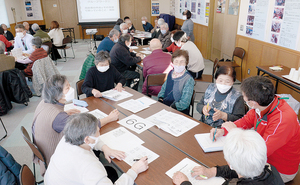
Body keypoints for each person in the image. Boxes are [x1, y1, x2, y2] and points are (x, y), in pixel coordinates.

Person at [211, 76, 300, 183]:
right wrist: (223, 131)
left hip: (278, 169)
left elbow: (260, 152)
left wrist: (235, 132)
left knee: (230, 169)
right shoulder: (262, 105)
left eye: (244, 97)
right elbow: (245, 121)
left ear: (252, 103)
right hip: (263, 159)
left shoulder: (283, 119)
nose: (243, 98)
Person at [32, 74, 120, 175]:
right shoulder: (59, 117)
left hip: (44, 150)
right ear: (57, 93)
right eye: (67, 88)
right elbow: (87, 128)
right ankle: (95, 166)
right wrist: (109, 118)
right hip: (54, 158)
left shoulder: (44, 102)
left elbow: (55, 118)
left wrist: (65, 113)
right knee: (89, 139)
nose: (71, 89)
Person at [44, 113, 149, 185]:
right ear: (87, 139)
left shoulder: (69, 137)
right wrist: (134, 170)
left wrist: (104, 147)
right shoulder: (87, 165)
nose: (99, 134)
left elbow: (93, 140)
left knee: (110, 172)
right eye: (97, 131)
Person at [173, 129, 284, 185]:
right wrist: (213, 171)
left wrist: (185, 183)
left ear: (230, 164)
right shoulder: (271, 170)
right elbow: (244, 168)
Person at [158, 50, 194, 115]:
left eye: (182, 62)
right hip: (165, 106)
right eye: (176, 61)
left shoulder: (189, 79)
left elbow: (185, 103)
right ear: (173, 62)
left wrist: (172, 107)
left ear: (186, 63)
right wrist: (160, 98)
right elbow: (164, 88)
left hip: (178, 111)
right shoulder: (171, 73)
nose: (178, 64)